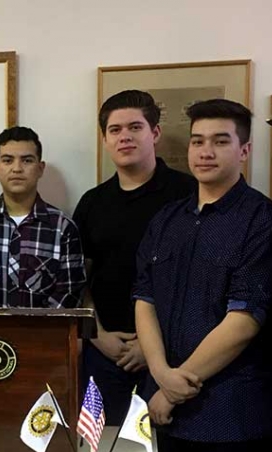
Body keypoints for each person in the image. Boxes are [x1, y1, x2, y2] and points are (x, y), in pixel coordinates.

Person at [134, 100, 272, 452]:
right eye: (198, 141)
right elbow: (144, 299)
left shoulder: (262, 220)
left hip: (235, 413)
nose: (205, 152)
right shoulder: (167, 220)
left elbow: (245, 320)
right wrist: (159, 374)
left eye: (220, 141)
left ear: (244, 150)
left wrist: (172, 387)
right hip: (168, 413)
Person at [73, 91, 195, 424]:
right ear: (105, 139)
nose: (124, 136)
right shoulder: (92, 203)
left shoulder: (187, 195)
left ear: (154, 133)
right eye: (115, 130)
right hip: (105, 353)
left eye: (134, 127)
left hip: (174, 355)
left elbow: (198, 283)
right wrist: (98, 336)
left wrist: (151, 347)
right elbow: (79, 280)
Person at [0, 126, 85, 308]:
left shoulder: (63, 228)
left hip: (43, 335)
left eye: (27, 160)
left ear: (40, 168)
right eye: (7, 160)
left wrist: (29, 334)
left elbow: (69, 295)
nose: (17, 169)